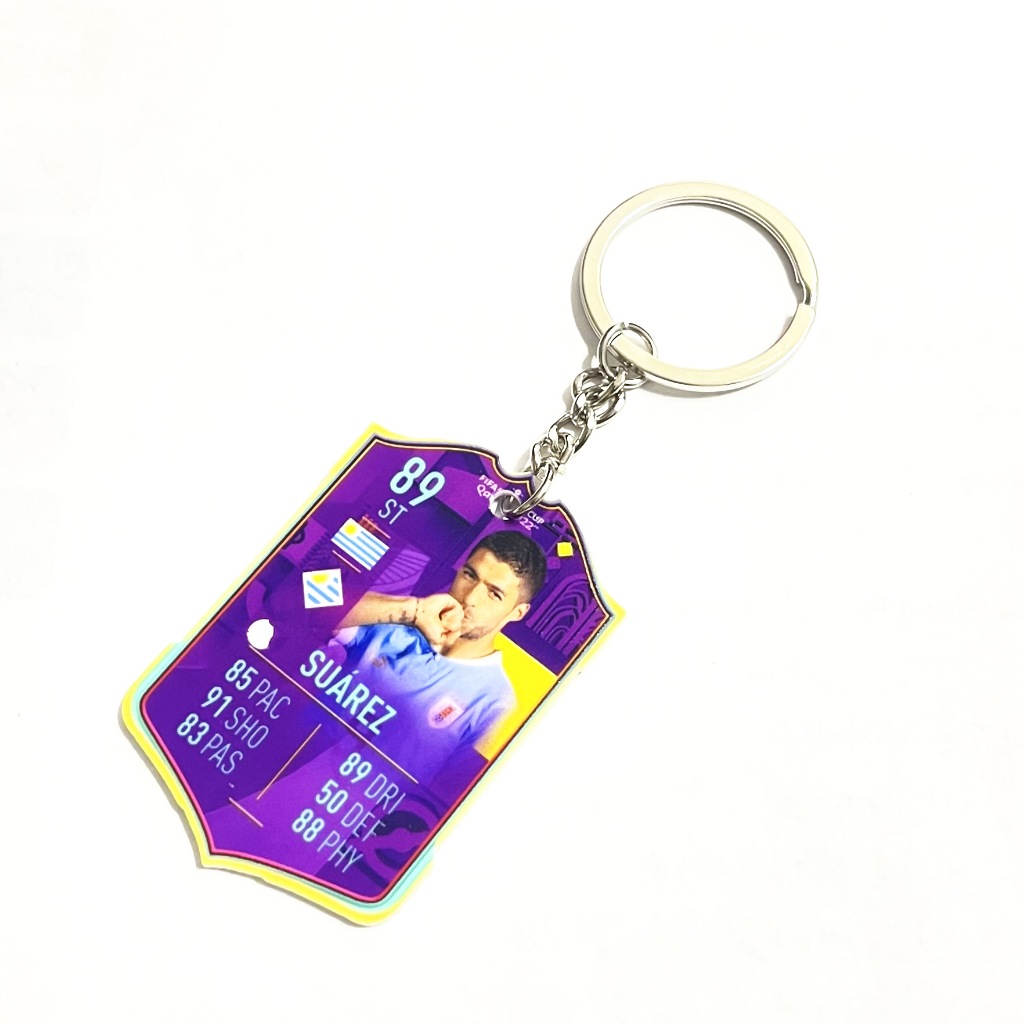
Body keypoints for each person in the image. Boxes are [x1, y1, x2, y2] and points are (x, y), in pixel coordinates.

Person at [331, 530, 547, 782]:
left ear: (517, 612)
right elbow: (307, 602)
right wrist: (413, 610)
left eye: (494, 593)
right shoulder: (394, 624)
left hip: (368, 802)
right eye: (469, 575)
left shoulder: (497, 702)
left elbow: (454, 790)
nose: (470, 598)